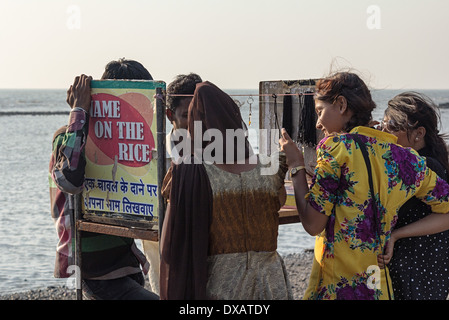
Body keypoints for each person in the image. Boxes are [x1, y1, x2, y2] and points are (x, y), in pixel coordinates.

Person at [279, 71, 449, 300]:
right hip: (378, 289)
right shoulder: (403, 158)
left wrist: (296, 165)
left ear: (341, 105)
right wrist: (394, 235)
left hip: (336, 288)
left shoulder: (335, 149)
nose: (318, 123)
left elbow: (312, 224)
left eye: (320, 111)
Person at [159, 81, 292, 300]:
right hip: (270, 285)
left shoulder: (190, 174)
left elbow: (169, 250)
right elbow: (277, 204)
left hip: (222, 288)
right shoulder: (270, 169)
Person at [49, 58, 159, 300]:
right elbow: (69, 179)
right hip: (95, 273)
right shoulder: (66, 138)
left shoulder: (123, 146)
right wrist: (79, 112)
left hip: (125, 263)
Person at [375, 92, 449, 300]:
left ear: (418, 134)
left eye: (390, 126)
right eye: (382, 124)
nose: (384, 131)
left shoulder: (424, 166)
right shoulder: (421, 163)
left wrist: (397, 234)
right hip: (423, 262)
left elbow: (448, 215)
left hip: (419, 264)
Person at [141, 73, 203, 296]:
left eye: (201, 115)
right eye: (187, 116)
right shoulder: (154, 158)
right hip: (164, 257)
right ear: (169, 115)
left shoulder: (217, 153)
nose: (196, 123)